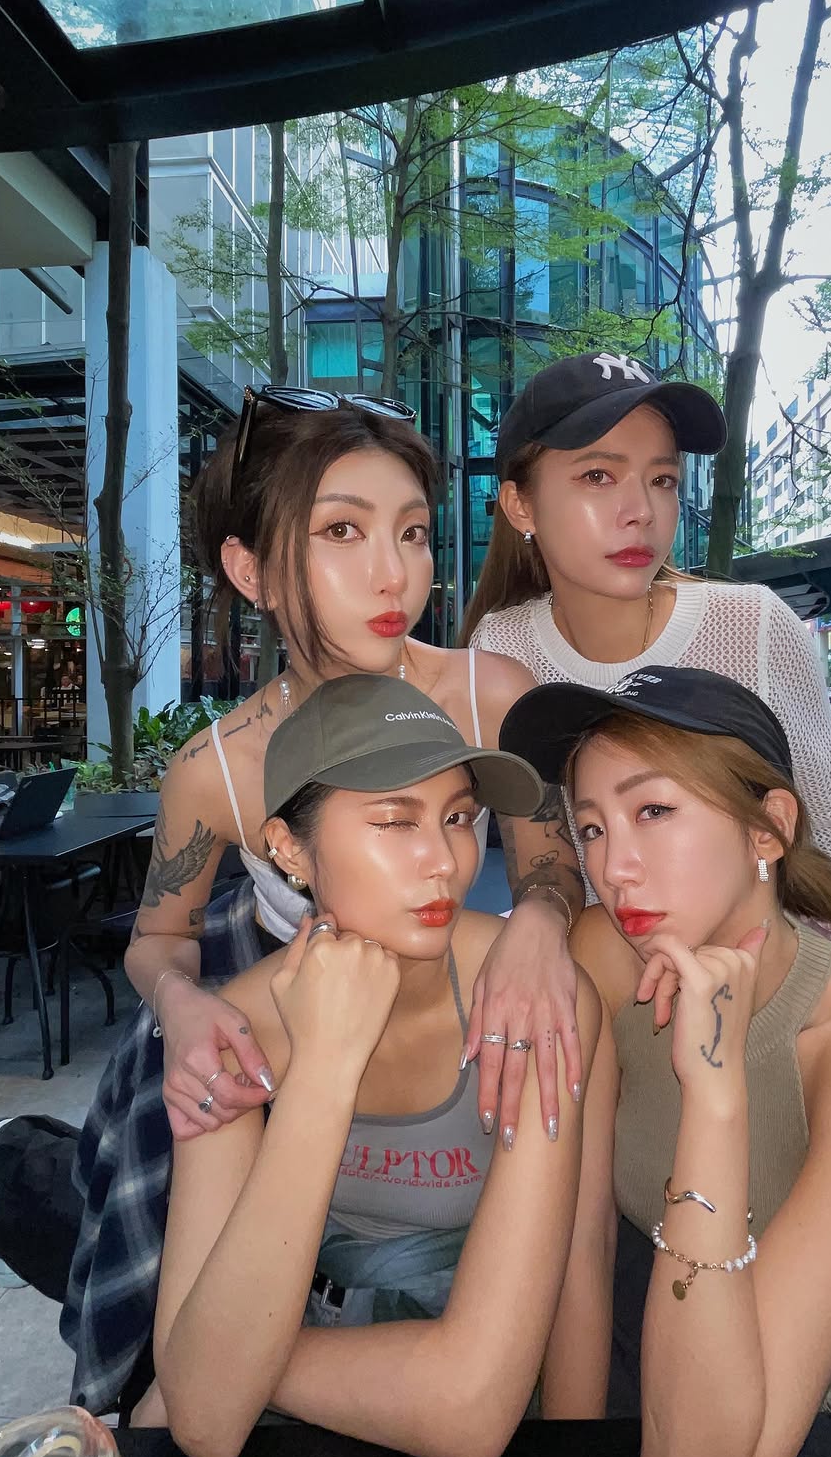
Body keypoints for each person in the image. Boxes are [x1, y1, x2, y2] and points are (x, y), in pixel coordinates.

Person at [463, 349, 831, 1195]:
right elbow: (548, 861)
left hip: (800, 985)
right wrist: (534, 925)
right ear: (520, 504)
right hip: (635, 1001)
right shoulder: (501, 649)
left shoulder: (751, 624)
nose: (639, 511)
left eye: (662, 480)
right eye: (597, 476)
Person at [502, 666, 831, 1457]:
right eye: (592, 827)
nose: (614, 867)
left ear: (769, 828)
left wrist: (715, 1096)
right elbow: (580, 1243)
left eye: (654, 811)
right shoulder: (607, 956)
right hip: (649, 1363)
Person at [129, 673, 608, 1457]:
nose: (444, 862)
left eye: (457, 818)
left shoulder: (528, 998)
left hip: (495, 1439)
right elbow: (207, 1427)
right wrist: (323, 1069)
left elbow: (476, 1404)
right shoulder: (235, 1036)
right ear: (290, 849)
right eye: (394, 821)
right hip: (299, 1450)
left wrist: (223, 1366)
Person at [136, 384, 585, 1146]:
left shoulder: (489, 696)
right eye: (342, 530)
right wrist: (176, 1002)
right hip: (285, 1036)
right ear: (252, 571)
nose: (394, 574)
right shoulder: (217, 769)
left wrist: (539, 924)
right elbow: (158, 937)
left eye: (412, 533)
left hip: (458, 1010)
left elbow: (551, 863)